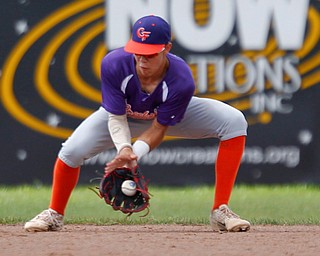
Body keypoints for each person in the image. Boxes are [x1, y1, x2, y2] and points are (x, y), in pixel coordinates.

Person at [24, 15, 250, 232]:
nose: (142, 60)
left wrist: (134, 155)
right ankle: (54, 213)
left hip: (163, 116)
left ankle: (220, 210)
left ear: (166, 49)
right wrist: (124, 148)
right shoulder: (114, 64)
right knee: (71, 151)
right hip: (124, 117)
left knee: (233, 121)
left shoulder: (181, 79)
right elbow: (116, 117)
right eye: (138, 53)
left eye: (150, 54)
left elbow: (159, 129)